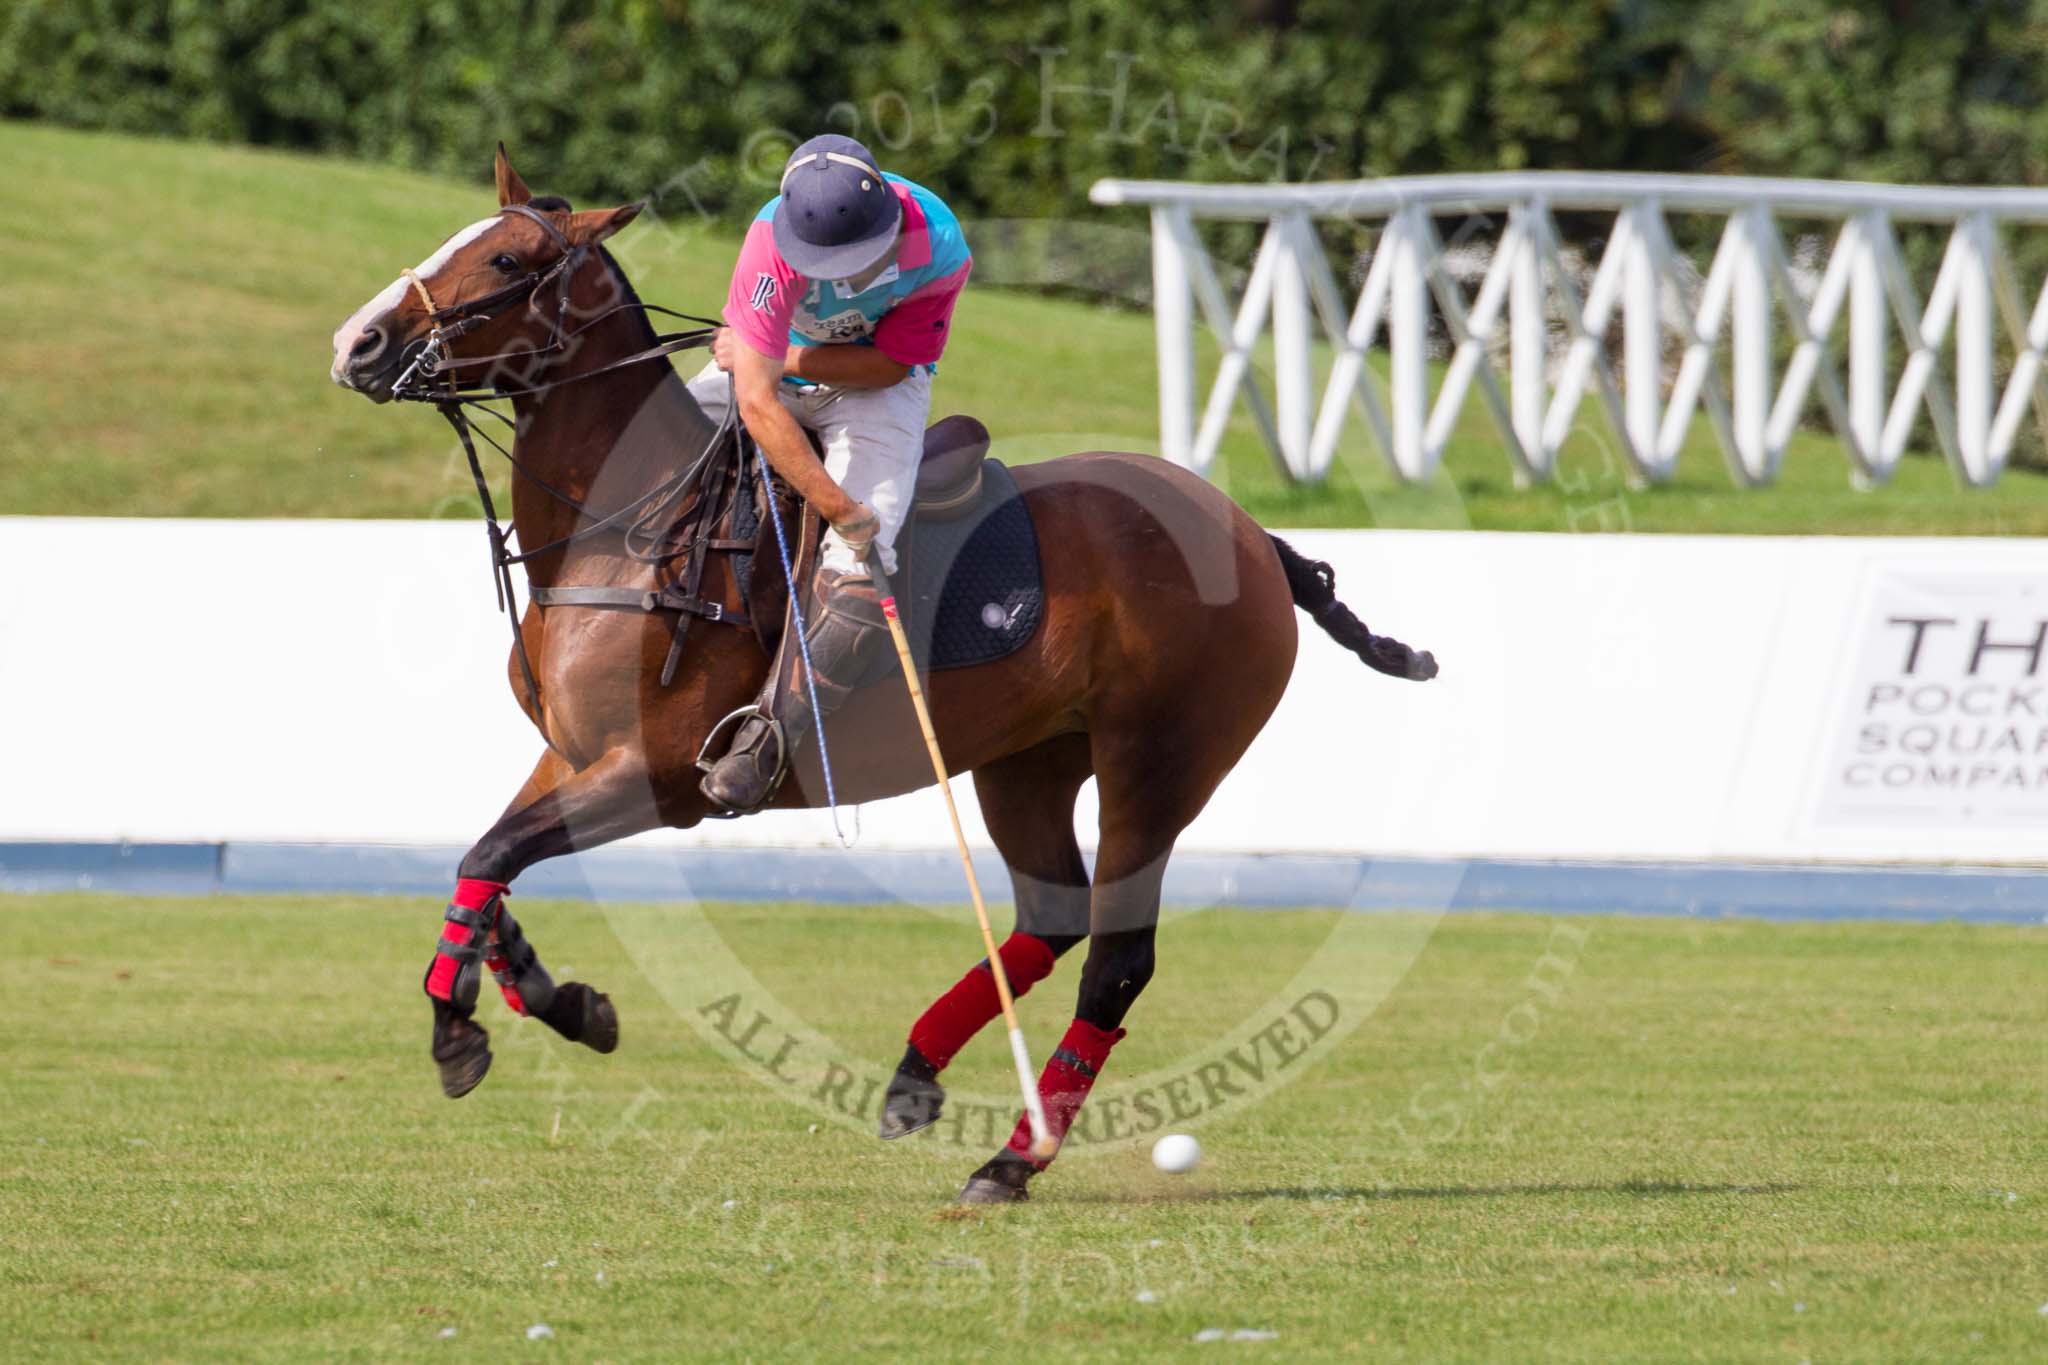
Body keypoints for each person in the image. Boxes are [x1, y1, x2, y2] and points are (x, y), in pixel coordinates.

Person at [693, 134, 973, 814]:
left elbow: (887, 367)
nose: (835, 273)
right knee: (662, 439)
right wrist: (831, 496)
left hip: (873, 386)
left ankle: (765, 741)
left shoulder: (937, 243)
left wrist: (785, 355)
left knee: (859, 566)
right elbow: (754, 400)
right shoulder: (768, 238)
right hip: (770, 374)